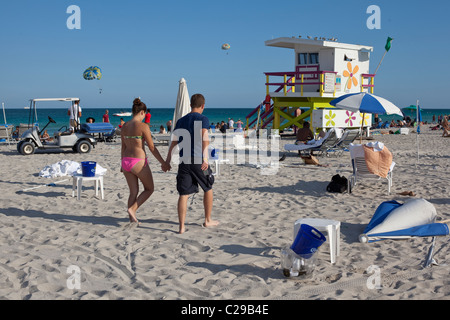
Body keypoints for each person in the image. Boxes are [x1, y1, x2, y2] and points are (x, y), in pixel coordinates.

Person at [166, 93, 219, 234]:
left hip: (184, 161)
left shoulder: (180, 121)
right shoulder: (203, 118)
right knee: (208, 187)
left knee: (183, 194)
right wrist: (205, 158)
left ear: (190, 105)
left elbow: (173, 143)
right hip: (198, 160)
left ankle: (181, 226)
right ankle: (207, 220)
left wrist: (167, 160)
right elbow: (204, 137)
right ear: (203, 106)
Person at [121, 98, 170, 225]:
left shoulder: (124, 126)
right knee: (149, 189)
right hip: (138, 162)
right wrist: (163, 162)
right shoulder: (143, 126)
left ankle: (132, 218)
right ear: (142, 112)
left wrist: (121, 164)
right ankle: (132, 209)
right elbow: (152, 147)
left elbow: (123, 147)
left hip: (125, 160)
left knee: (133, 192)